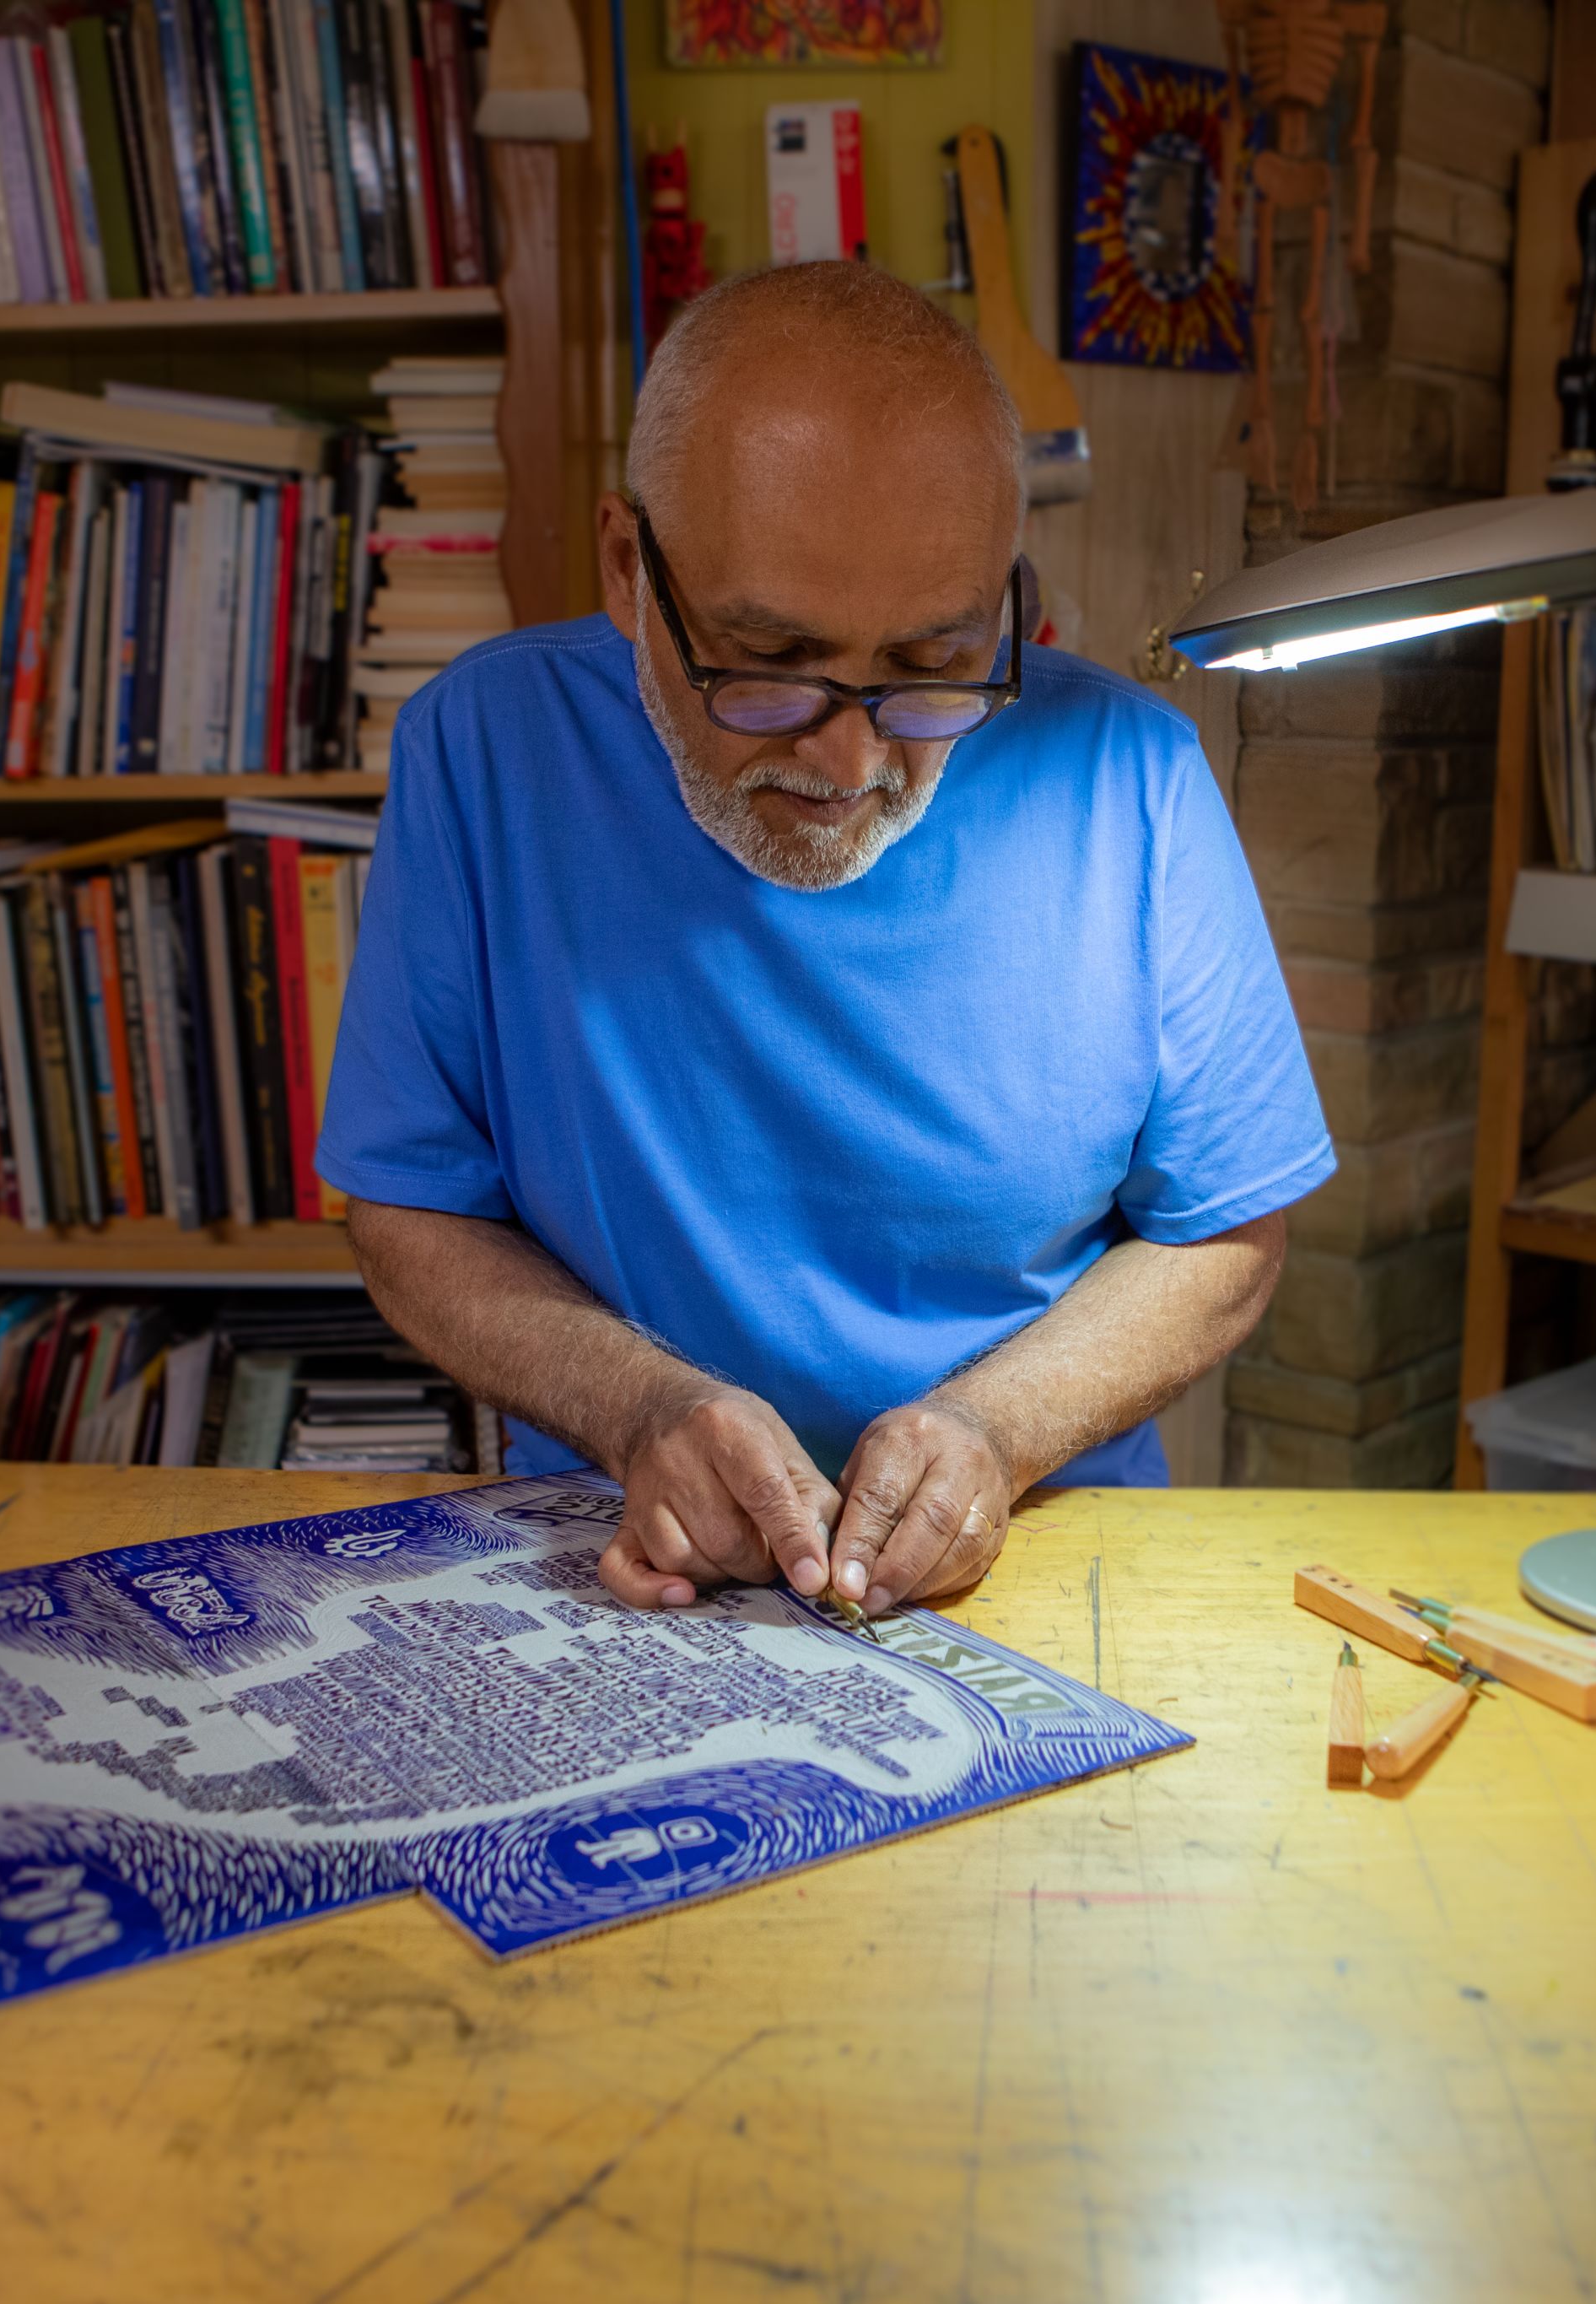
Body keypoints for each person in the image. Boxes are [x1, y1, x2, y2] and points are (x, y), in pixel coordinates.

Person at [321, 262, 1331, 1617]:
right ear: (630, 572)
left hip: (1033, 1553)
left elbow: (1224, 1230)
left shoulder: (1129, 772)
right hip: (618, 1555)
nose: (852, 757)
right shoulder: (485, 748)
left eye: (929, 667)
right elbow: (408, 1210)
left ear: (1010, 604)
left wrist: (996, 1430)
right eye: (770, 664)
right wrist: (641, 1408)